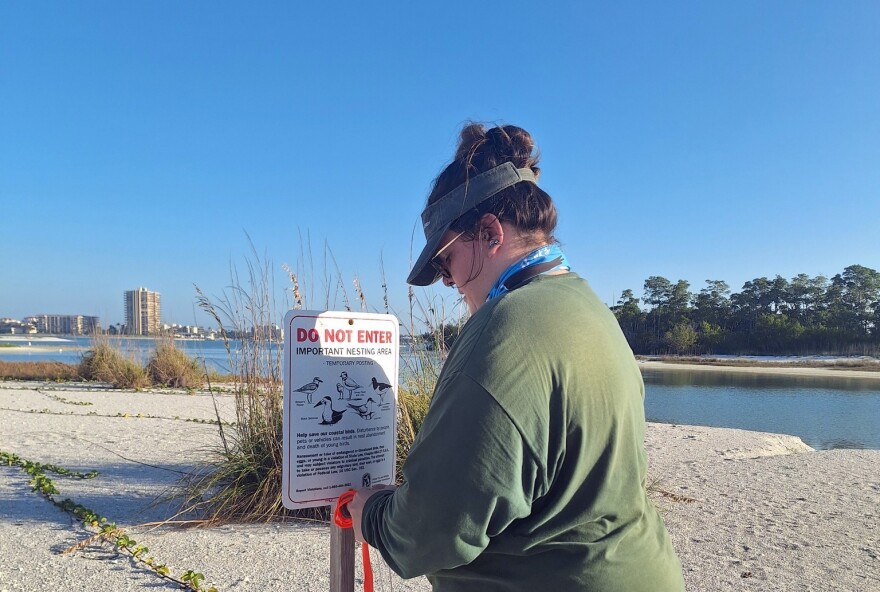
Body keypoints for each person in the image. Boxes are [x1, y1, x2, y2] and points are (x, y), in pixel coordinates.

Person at [347, 123, 684, 591]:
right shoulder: (588, 308)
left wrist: (374, 514)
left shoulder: (504, 329)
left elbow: (431, 530)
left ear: (489, 234)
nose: (449, 281)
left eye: (446, 261)